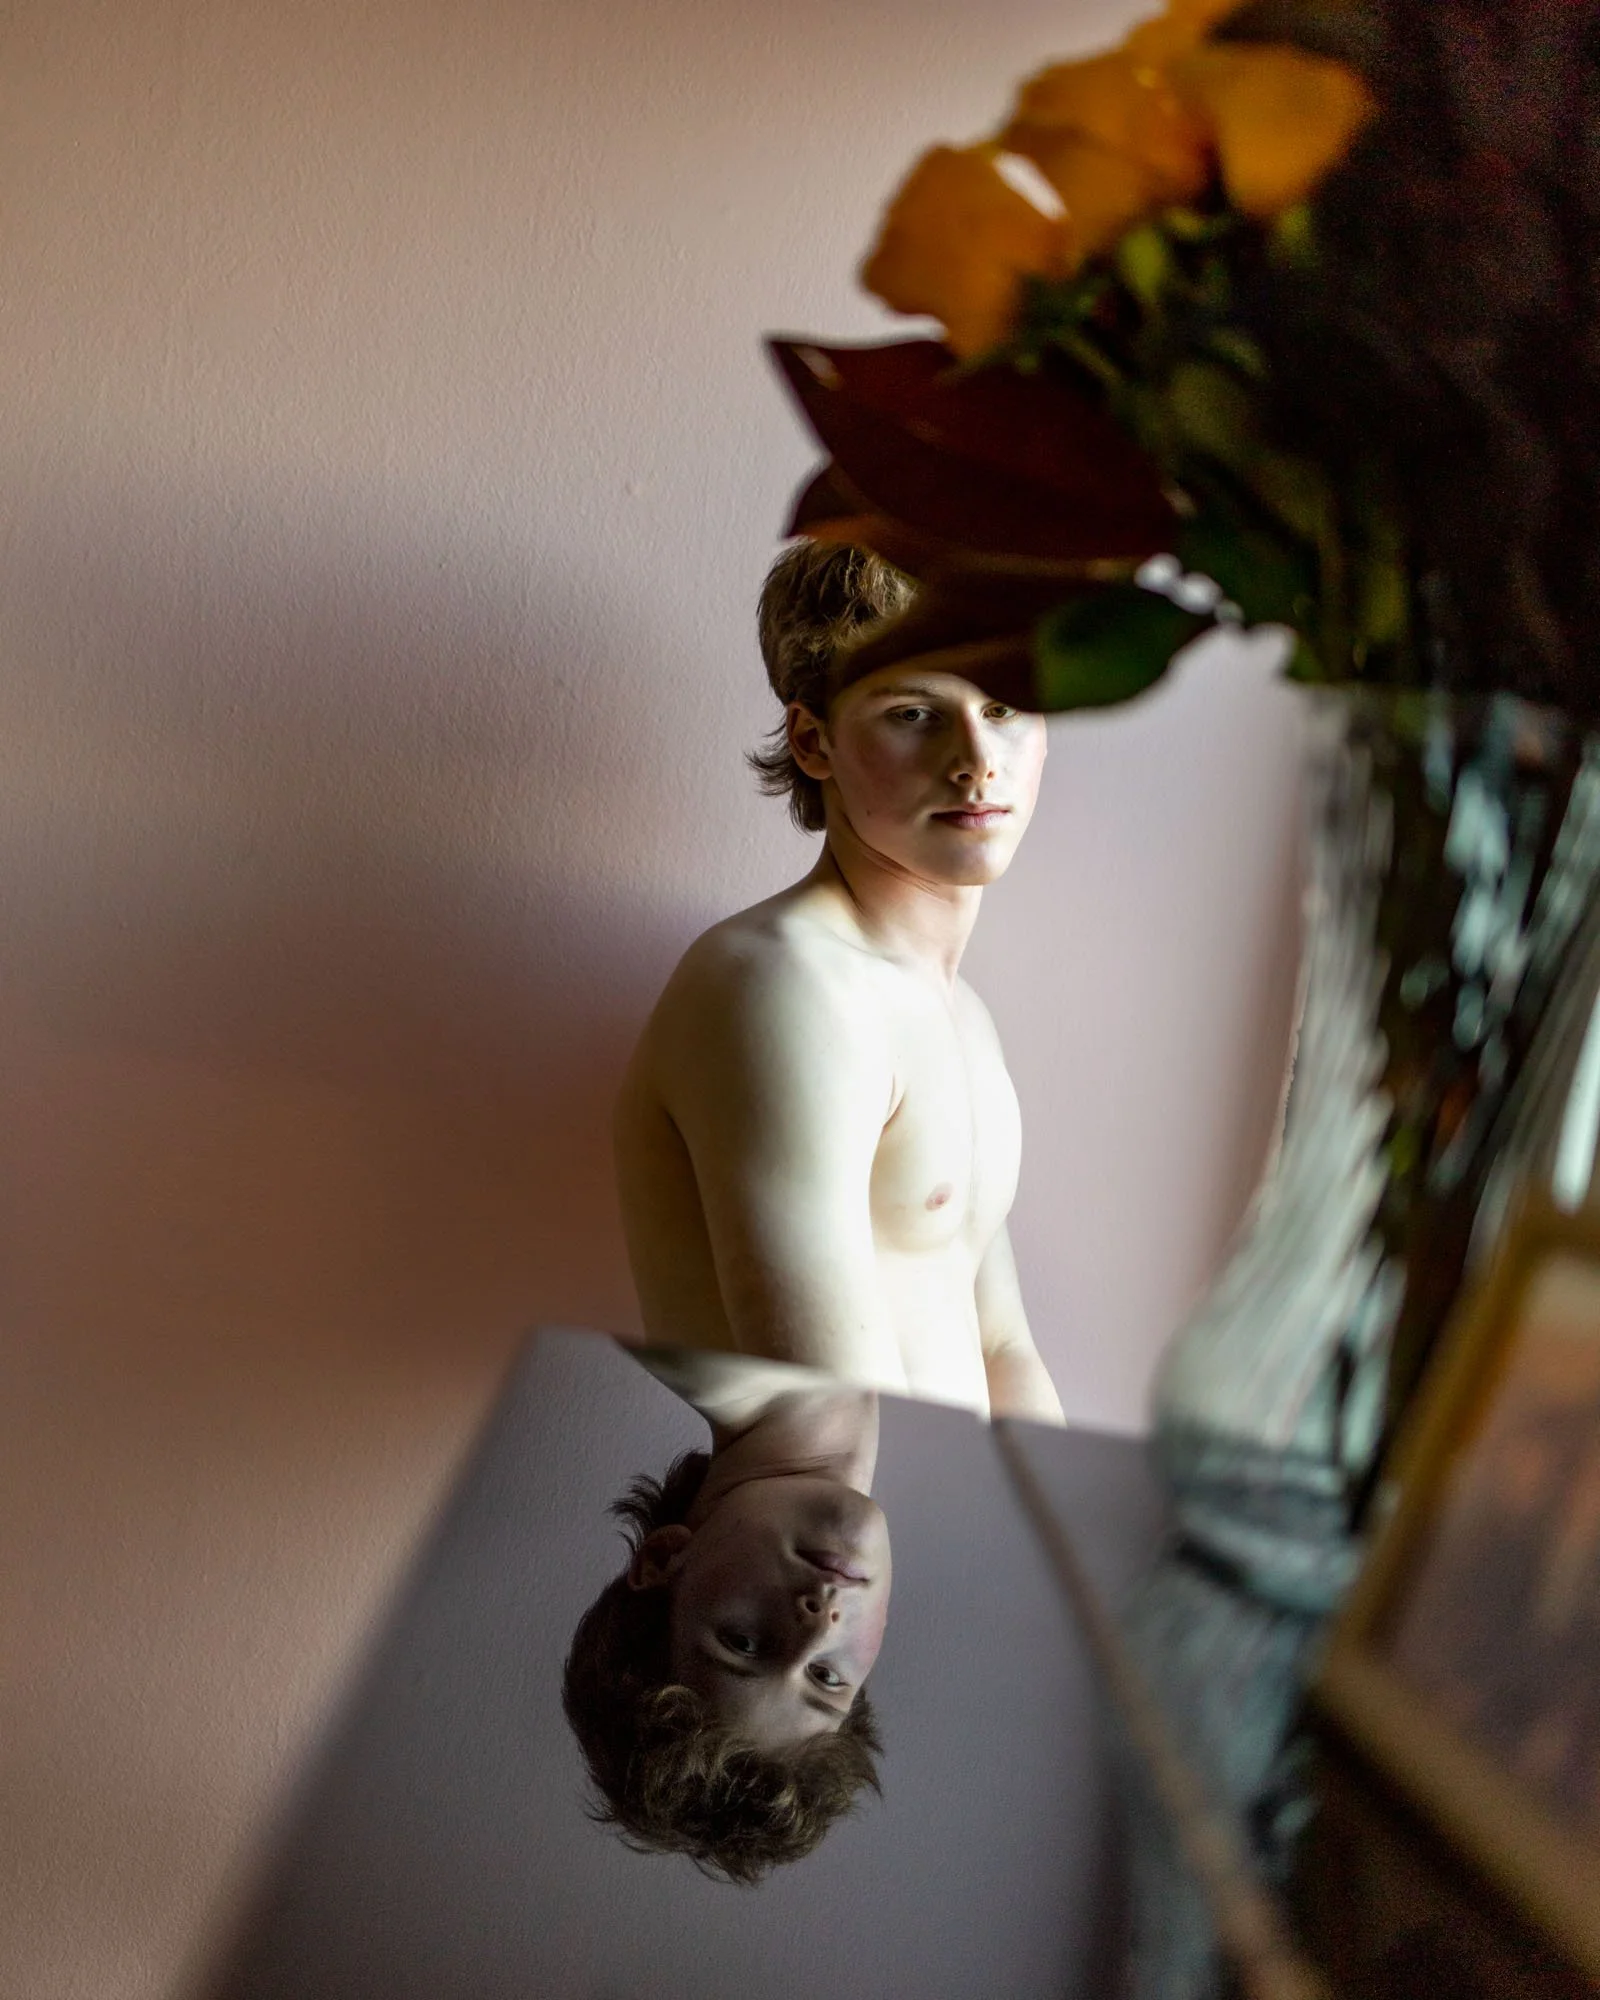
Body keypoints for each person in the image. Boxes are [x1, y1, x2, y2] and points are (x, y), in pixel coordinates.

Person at [614, 540, 1065, 1421]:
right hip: (844, 1511)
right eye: (914, 713)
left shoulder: (958, 1013)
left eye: (1004, 706)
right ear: (813, 742)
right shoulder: (783, 986)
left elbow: (1002, 1346)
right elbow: (836, 1417)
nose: (978, 759)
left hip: (951, 1502)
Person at [562, 1349, 888, 1881]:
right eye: (826, 1677)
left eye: (743, 1643)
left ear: (665, 1558)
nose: (817, 1629)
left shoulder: (712, 1342)